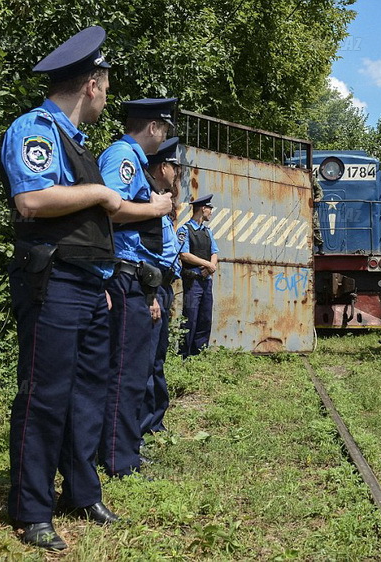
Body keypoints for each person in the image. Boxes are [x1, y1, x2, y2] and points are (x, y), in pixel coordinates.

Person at [0, 26, 121, 550]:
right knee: (44, 396)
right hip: (52, 284)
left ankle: (80, 490)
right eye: (106, 84)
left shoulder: (76, 142)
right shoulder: (36, 129)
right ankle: (30, 509)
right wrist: (98, 191)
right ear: (91, 84)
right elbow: (31, 201)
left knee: (89, 392)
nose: (108, 94)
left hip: (88, 284)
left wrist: (103, 281)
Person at [97, 98, 177, 477]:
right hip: (121, 275)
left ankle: (123, 449)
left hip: (135, 277)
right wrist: (156, 209)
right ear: (153, 128)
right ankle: (117, 458)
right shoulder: (122, 156)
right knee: (125, 372)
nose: (164, 137)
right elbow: (110, 208)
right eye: (165, 129)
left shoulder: (134, 161)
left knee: (132, 370)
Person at [139, 136, 182, 438]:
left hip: (162, 288)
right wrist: (150, 295)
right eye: (175, 167)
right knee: (146, 363)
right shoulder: (149, 203)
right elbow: (143, 253)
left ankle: (154, 422)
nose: (178, 174)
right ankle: (141, 428)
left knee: (157, 359)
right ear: (163, 166)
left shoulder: (161, 202)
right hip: (151, 288)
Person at [178, 194, 219, 357]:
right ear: (203, 209)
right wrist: (207, 264)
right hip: (193, 281)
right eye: (210, 209)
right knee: (190, 318)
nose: (211, 212)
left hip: (206, 281)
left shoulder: (207, 232)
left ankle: (199, 355)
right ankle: (184, 355)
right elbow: (184, 255)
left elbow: (215, 252)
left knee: (204, 319)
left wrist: (210, 267)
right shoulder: (185, 230)